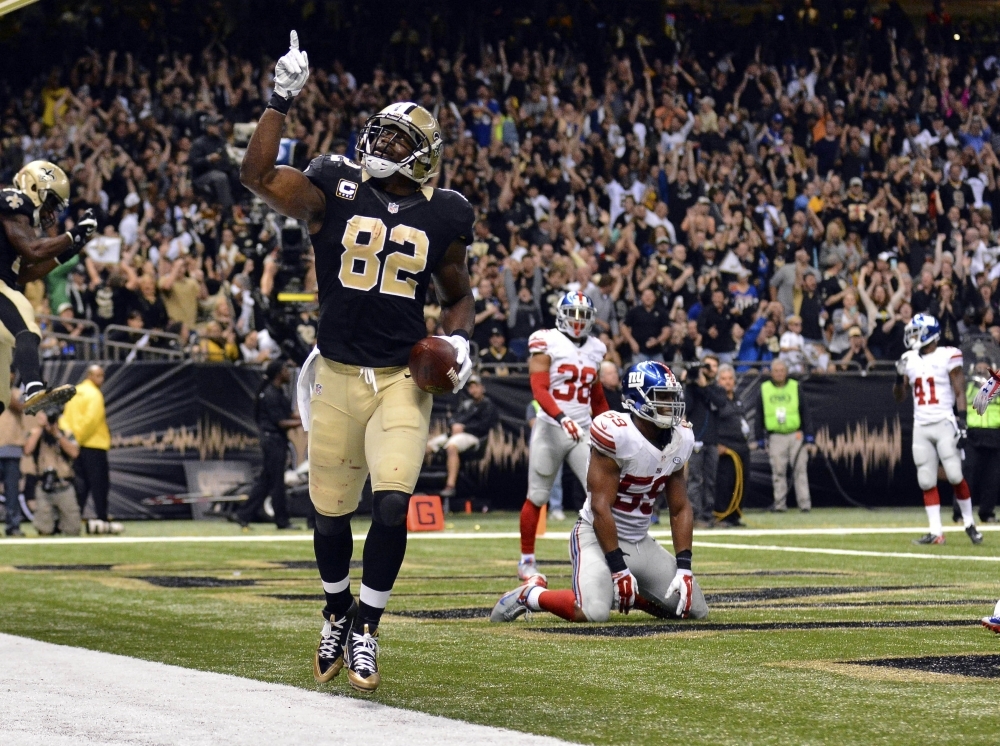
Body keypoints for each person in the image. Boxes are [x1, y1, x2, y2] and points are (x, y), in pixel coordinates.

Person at [240, 32, 474, 693]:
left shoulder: (447, 213)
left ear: (422, 158)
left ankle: (368, 624)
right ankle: (336, 609)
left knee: (394, 504)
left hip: (401, 377)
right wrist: (281, 99)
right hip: (337, 373)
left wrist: (461, 341)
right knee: (330, 515)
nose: (381, 146)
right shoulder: (333, 186)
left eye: (398, 141)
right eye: (381, 134)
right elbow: (255, 176)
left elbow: (459, 297)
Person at [490, 361, 708, 623]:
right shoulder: (617, 433)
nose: (671, 405)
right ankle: (531, 595)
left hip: (639, 541)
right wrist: (618, 568)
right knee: (593, 612)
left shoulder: (680, 437)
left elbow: (680, 507)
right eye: (662, 397)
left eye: (673, 397)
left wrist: (684, 567)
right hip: (596, 537)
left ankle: (629, 594)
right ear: (638, 399)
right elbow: (600, 506)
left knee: (693, 609)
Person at [518, 290, 608, 580]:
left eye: (584, 316)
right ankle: (526, 560)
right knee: (537, 495)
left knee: (600, 495)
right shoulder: (547, 341)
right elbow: (539, 389)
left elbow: (596, 395)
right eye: (574, 315)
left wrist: (608, 423)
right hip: (551, 427)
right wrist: (561, 417)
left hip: (581, 430)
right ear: (561, 315)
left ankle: (606, 555)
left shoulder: (596, 348)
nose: (579, 322)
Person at [0, 161, 94, 415]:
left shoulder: (18, 221)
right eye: (51, 202)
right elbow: (33, 250)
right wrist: (72, 235)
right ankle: (33, 387)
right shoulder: (13, 201)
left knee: (0, 395)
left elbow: (23, 274)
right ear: (32, 186)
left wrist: (63, 253)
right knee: (26, 328)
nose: (51, 211)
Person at [894, 314, 982, 544]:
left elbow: (959, 390)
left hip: (944, 421)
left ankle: (969, 523)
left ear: (928, 333)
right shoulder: (908, 359)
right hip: (921, 425)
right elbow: (900, 397)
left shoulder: (947, 355)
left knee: (954, 474)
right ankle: (936, 532)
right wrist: (897, 377)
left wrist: (962, 420)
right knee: (925, 479)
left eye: (916, 331)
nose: (912, 336)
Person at [230, 360, 301, 529]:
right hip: (273, 440)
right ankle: (282, 521)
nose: (288, 373)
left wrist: (306, 416)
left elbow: (289, 414)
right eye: (285, 370)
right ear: (278, 373)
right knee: (277, 482)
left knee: (266, 481)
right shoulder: (270, 394)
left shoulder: (277, 391)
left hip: (275, 440)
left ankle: (243, 514)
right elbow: (281, 422)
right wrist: (306, 423)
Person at [425, 374, 498, 510]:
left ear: (482, 388)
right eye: (471, 387)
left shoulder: (488, 405)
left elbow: (485, 426)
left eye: (476, 387)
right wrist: (454, 425)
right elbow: (453, 418)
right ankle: (418, 482)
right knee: (427, 446)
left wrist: (464, 427)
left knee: (452, 446)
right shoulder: (466, 404)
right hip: (454, 434)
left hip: (473, 437)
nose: (473, 390)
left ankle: (450, 485)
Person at [59, 365, 115, 534]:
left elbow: (65, 419)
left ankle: (73, 521)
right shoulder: (94, 394)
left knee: (80, 485)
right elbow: (91, 420)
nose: (102, 379)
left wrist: (72, 440)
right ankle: (101, 519)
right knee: (99, 485)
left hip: (76, 447)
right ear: (90, 375)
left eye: (102, 375)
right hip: (94, 445)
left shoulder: (75, 392)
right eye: (98, 375)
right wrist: (80, 439)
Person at [755, 359, 816, 512]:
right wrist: (760, 438)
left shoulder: (795, 386)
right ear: (771, 372)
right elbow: (759, 414)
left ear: (786, 372)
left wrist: (809, 435)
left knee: (800, 470)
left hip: (795, 434)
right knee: (778, 471)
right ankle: (780, 504)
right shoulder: (765, 388)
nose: (779, 373)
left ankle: (805, 504)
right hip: (776, 436)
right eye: (776, 370)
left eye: (782, 370)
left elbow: (805, 412)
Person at [25, 406, 80, 536]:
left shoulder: (65, 433)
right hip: (43, 486)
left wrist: (56, 433)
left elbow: (74, 453)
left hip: (64, 484)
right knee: (44, 530)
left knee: (73, 530)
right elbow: (27, 450)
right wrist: (40, 428)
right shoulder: (35, 433)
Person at [684, 355, 727, 527]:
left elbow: (720, 403)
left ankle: (708, 515)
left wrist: (705, 386)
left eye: (713, 366)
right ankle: (695, 515)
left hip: (712, 441)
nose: (710, 369)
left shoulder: (718, 389)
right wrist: (689, 384)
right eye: (707, 366)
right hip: (696, 440)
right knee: (695, 479)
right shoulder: (691, 388)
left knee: (711, 479)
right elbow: (686, 407)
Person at [714, 363, 750, 527]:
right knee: (725, 482)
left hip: (741, 445)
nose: (727, 382)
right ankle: (722, 515)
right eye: (724, 379)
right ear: (718, 381)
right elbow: (711, 423)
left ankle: (735, 515)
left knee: (742, 481)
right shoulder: (717, 401)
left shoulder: (737, 399)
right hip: (726, 447)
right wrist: (717, 444)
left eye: (730, 379)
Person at [964, 362, 1000, 524]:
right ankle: (961, 514)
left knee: (992, 477)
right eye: (978, 367)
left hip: (995, 433)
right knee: (967, 476)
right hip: (973, 433)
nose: (982, 370)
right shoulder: (968, 387)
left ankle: (987, 512)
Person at [0, 382, 25, 536]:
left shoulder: (17, 392)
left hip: (11, 449)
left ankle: (13, 526)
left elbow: (21, 407)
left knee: (12, 492)